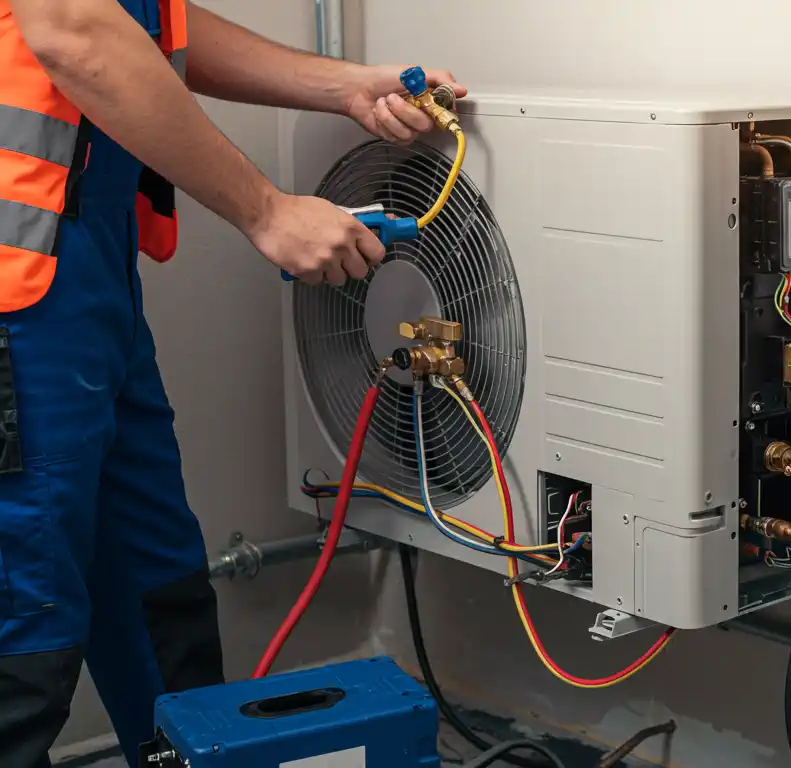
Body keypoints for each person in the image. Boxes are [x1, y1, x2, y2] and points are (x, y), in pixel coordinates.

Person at [0, 0, 464, 764]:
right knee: (21, 636)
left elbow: (149, 22)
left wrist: (342, 85)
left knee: (156, 595)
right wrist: (268, 210)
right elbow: (73, 26)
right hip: (21, 301)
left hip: (80, 281)